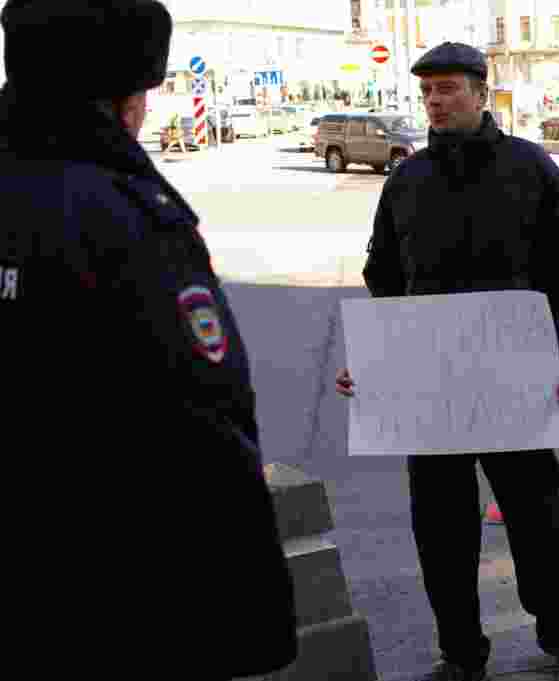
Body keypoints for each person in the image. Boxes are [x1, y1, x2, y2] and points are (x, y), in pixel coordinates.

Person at [0, 1, 297, 677]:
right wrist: (252, 626)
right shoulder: (126, 215)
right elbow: (203, 420)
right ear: (122, 102)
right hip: (111, 598)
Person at [336, 41, 559, 681]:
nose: (435, 99)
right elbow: (384, 277)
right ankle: (460, 652)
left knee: (536, 516)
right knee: (442, 530)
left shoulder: (530, 169)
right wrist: (379, 359)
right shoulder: (407, 180)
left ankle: (558, 631)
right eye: (427, 90)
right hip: (430, 389)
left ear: (483, 93)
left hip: (516, 378)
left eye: (449, 88)